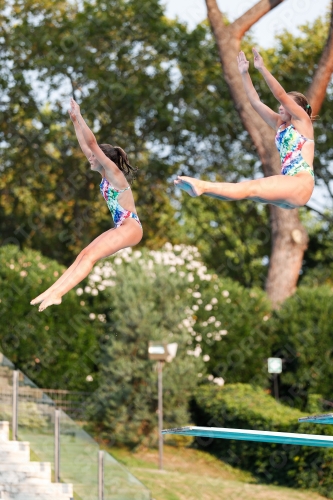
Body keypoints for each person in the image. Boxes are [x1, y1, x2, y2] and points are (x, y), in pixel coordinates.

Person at [31, 98, 143, 312]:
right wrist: (74, 121)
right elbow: (85, 146)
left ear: (104, 159)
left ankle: (58, 295)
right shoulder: (103, 173)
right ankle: (53, 290)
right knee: (83, 253)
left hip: (131, 227)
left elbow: (91, 144)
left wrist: (80, 116)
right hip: (123, 226)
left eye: (94, 157)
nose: (89, 158)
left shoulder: (114, 174)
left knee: (90, 257)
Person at [174, 48, 315, 209]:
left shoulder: (303, 122)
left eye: (285, 105)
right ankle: (202, 189)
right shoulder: (280, 125)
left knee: (250, 188)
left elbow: (280, 95)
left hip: (300, 183)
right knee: (248, 192)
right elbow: (255, 102)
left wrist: (262, 68)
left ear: (297, 109)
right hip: (290, 187)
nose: (280, 107)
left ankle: (203, 186)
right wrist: (244, 74)